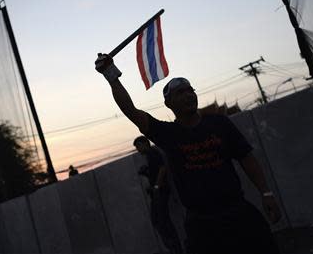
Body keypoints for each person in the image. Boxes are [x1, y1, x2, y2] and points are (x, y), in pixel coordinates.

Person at [95, 53, 281, 254]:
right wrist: (110, 75)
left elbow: (247, 158)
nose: (189, 95)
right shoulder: (168, 135)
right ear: (168, 103)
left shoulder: (220, 124)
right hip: (202, 226)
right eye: (180, 92)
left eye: (190, 90)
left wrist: (266, 193)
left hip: (238, 213)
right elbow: (131, 111)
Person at [134, 136, 183, 254]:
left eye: (138, 147)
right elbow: (156, 171)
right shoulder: (151, 155)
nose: (138, 150)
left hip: (160, 192)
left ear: (144, 144)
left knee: (162, 221)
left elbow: (162, 169)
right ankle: (174, 248)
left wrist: (156, 187)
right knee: (160, 220)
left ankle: (175, 248)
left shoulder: (152, 153)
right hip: (158, 191)